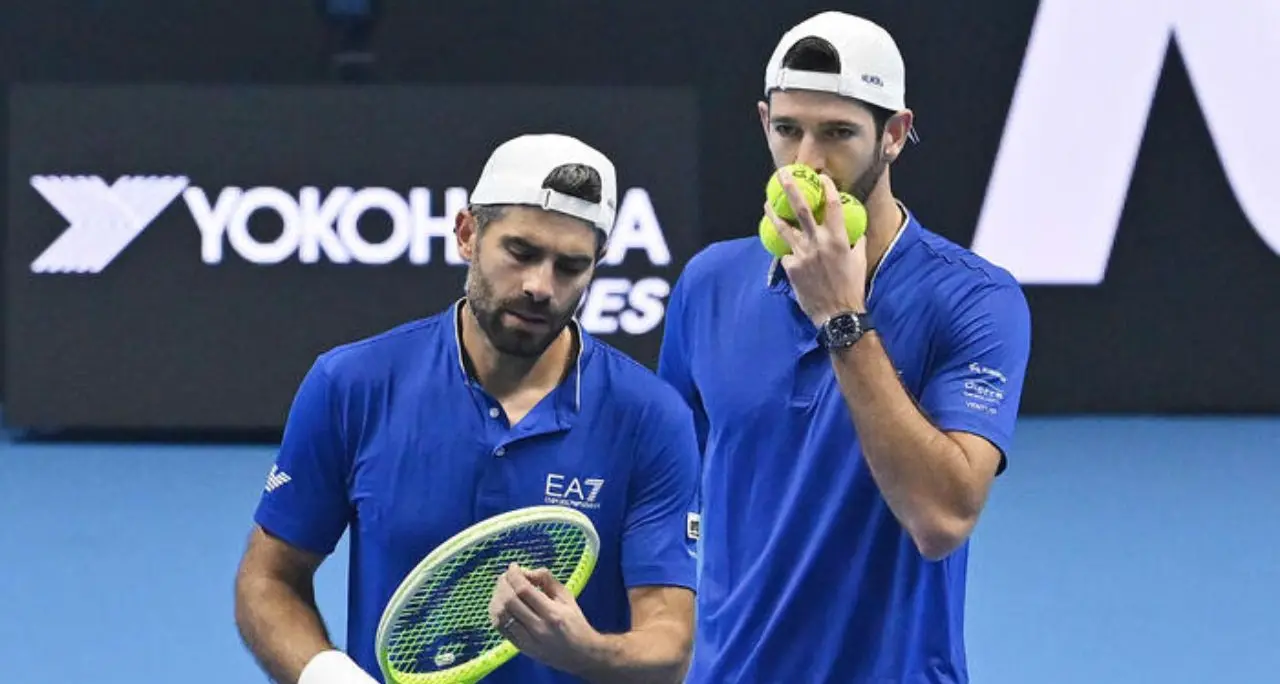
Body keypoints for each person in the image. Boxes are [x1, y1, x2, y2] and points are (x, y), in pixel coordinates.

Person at [234, 133, 700, 684]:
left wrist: (582, 650)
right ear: (467, 233)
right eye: (521, 253)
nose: (540, 287)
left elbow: (669, 643)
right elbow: (269, 581)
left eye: (570, 266)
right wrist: (330, 677)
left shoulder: (650, 418)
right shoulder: (351, 385)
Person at [658, 11, 1032, 683]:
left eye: (837, 134)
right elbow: (668, 492)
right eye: (787, 130)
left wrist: (841, 316)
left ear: (893, 135)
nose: (805, 164)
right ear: (762, 122)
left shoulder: (977, 301)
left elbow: (942, 517)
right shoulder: (707, 283)